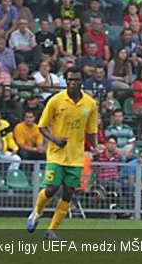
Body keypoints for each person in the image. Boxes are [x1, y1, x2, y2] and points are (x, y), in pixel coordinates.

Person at [26, 67, 98, 240]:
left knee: (68, 193)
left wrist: (95, 147)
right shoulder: (56, 101)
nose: (73, 83)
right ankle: (37, 212)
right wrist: (55, 139)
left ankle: (51, 230)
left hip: (76, 155)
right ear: (66, 80)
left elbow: (91, 129)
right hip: (57, 153)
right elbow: (42, 126)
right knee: (51, 189)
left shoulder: (90, 104)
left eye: (76, 80)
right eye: (70, 80)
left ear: (82, 81)